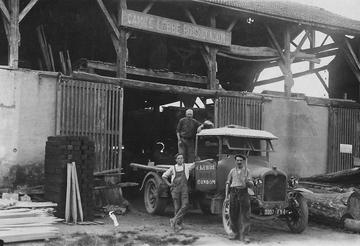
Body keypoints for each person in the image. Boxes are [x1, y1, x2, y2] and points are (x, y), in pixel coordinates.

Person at [162, 153, 195, 231]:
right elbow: (164, 176)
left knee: (185, 205)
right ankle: (179, 224)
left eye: (181, 158)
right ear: (176, 160)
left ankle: (173, 220)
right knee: (177, 208)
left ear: (183, 159)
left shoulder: (187, 167)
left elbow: (195, 164)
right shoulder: (172, 168)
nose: (180, 160)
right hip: (175, 189)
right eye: (178, 158)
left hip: (184, 188)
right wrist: (169, 184)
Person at [225, 154, 253, 244]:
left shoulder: (247, 171)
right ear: (235, 161)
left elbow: (251, 184)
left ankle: (245, 235)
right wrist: (226, 196)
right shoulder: (232, 171)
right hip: (233, 192)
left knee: (245, 215)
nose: (239, 162)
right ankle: (235, 233)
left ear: (243, 161)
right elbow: (227, 183)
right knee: (233, 214)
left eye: (241, 160)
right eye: (238, 160)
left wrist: (247, 181)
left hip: (244, 193)